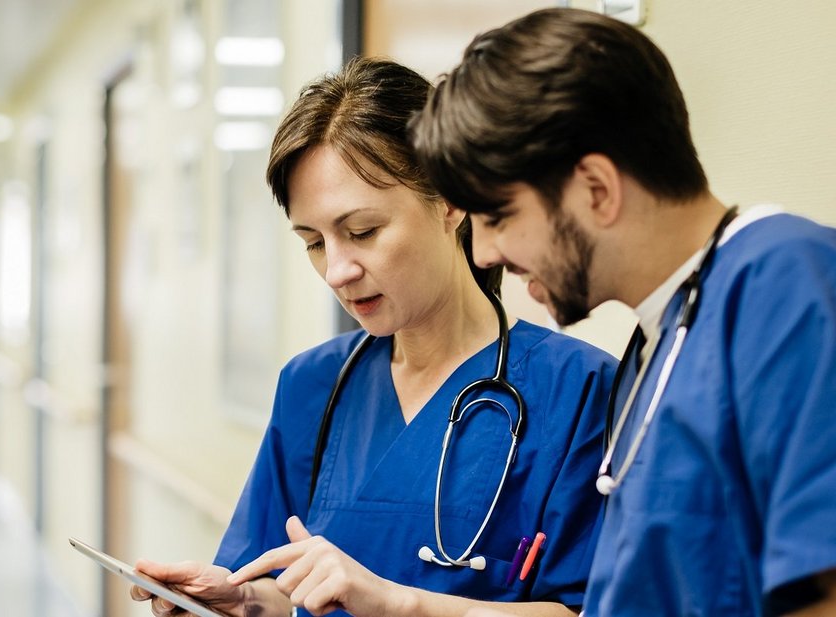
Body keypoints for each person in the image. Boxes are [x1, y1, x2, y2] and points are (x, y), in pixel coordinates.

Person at [409, 8, 836, 617]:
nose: (486, 252)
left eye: (499, 217)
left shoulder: (803, 294)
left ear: (596, 188)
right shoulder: (663, 337)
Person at [130, 57, 617, 617]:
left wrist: (397, 604)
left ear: (450, 200)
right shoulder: (313, 385)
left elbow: (591, 609)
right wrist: (245, 601)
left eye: (362, 231)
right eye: (313, 242)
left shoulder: (576, 390)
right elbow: (279, 579)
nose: (337, 270)